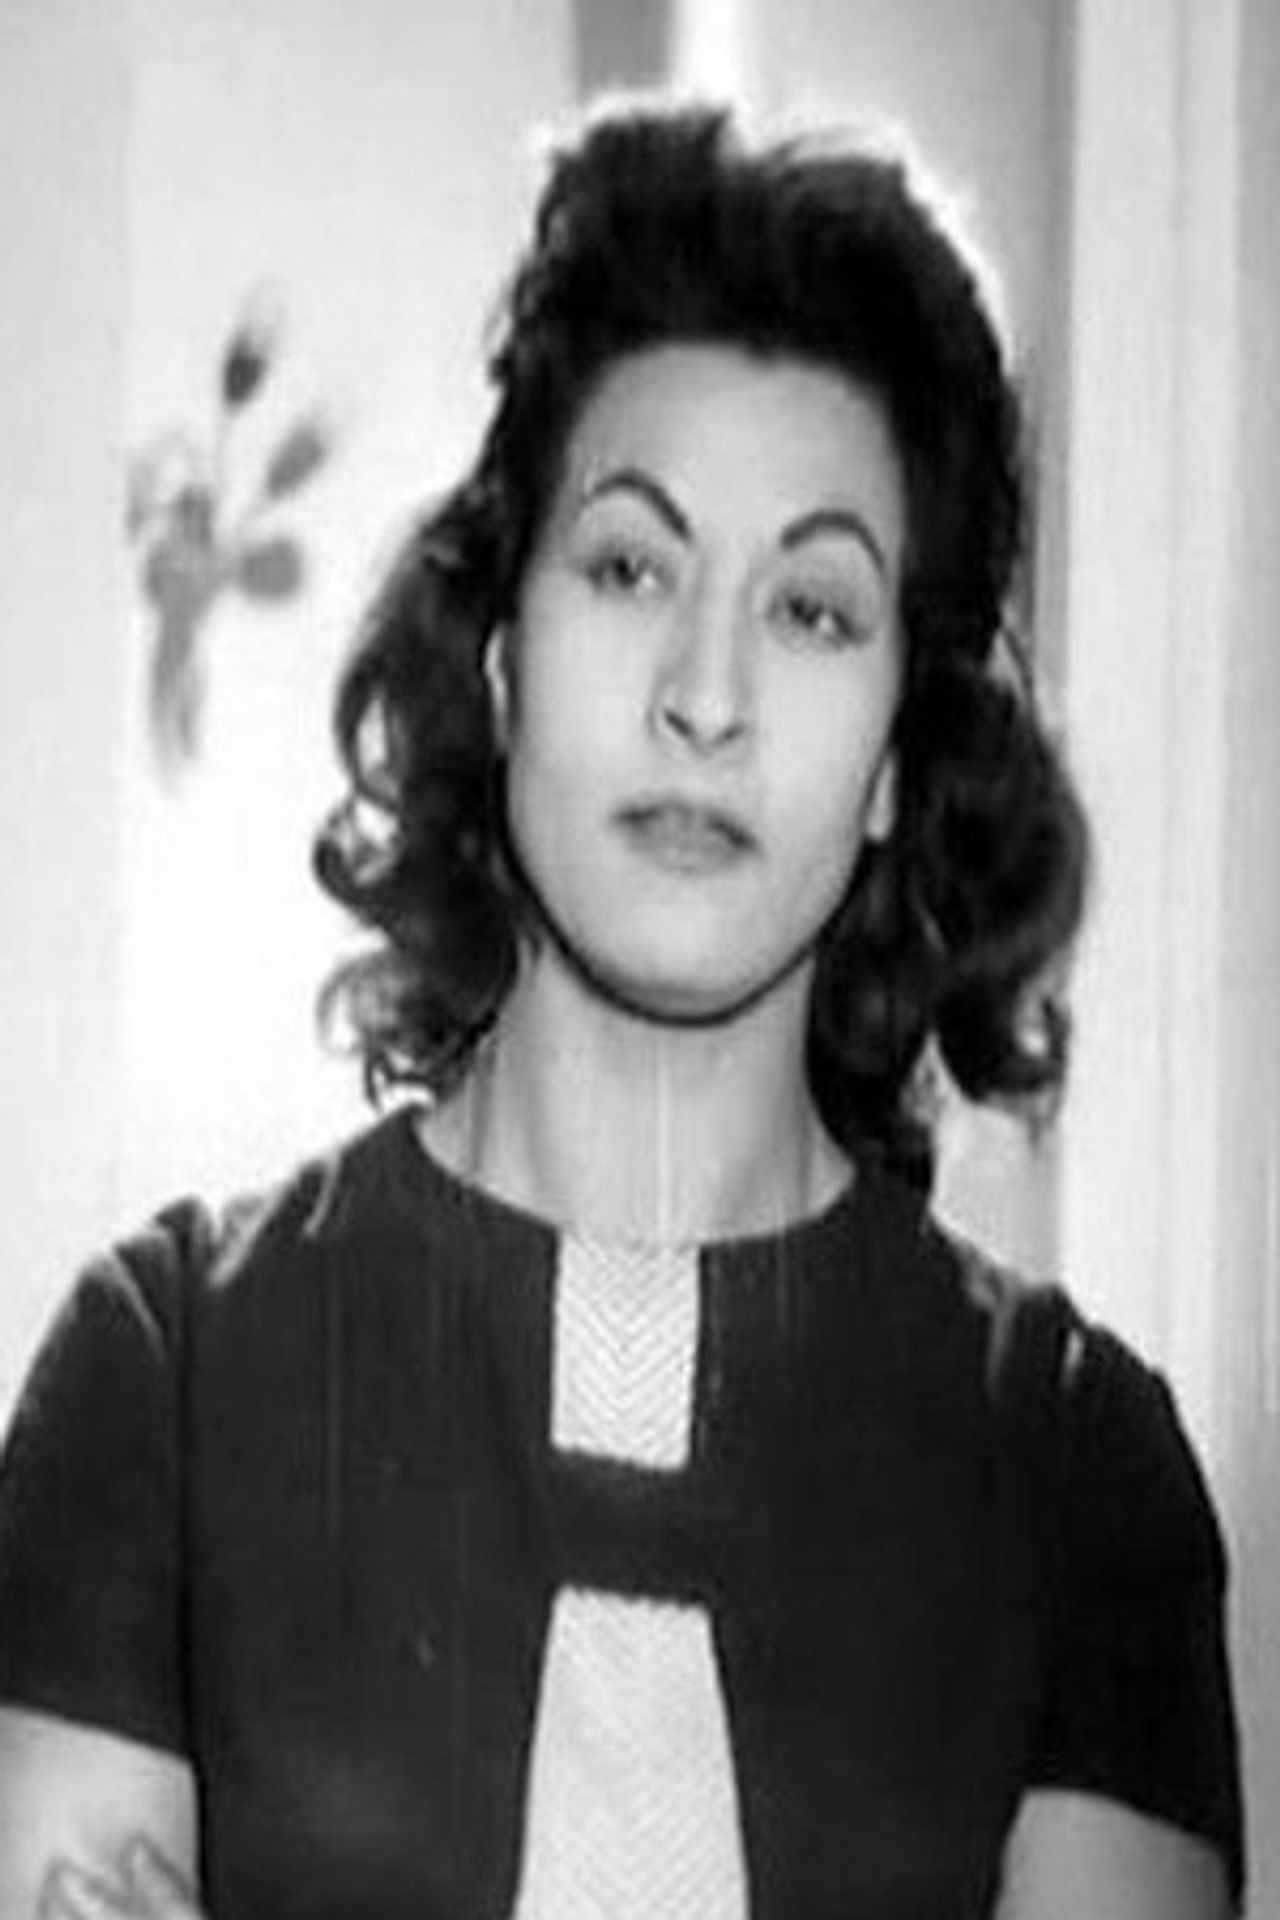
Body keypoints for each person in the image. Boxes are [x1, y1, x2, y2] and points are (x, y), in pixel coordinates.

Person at [0, 97, 1244, 1920]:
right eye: (632, 567)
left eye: (814, 610)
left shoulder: (1077, 1472)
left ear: (902, 758)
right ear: (503, 655)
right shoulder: (164, 1375)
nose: (705, 696)